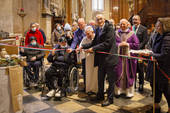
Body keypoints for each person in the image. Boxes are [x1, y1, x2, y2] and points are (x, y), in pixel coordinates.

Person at [77, 14, 118, 107]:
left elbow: (107, 43)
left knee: (111, 81)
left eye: (101, 19)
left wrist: (93, 49)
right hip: (101, 59)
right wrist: (82, 47)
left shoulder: (109, 28)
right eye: (97, 19)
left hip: (110, 58)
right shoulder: (98, 29)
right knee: (100, 79)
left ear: (104, 19)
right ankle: (100, 96)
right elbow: (94, 43)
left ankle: (110, 99)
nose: (99, 21)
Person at [147, 18, 170, 113]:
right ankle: (156, 107)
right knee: (155, 88)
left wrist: (151, 54)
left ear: (165, 27)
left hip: (164, 69)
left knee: (166, 90)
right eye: (156, 24)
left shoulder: (167, 37)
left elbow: (165, 55)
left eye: (158, 25)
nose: (156, 26)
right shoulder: (158, 35)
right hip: (156, 68)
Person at [114, 19, 139, 98]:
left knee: (128, 72)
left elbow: (137, 44)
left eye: (124, 24)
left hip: (129, 59)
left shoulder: (132, 34)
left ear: (128, 25)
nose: (122, 26)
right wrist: (119, 44)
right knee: (118, 73)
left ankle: (128, 92)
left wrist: (127, 44)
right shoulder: (116, 33)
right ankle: (118, 91)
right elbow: (112, 43)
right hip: (119, 57)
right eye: (121, 24)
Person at [67, 18, 86, 91]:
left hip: (90, 51)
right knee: (84, 68)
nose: (81, 26)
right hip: (82, 51)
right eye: (79, 24)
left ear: (84, 23)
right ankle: (85, 85)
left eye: (82, 24)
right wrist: (71, 48)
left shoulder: (89, 29)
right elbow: (75, 41)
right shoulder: (76, 32)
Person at [78, 26, 98, 94]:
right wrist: (81, 49)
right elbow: (81, 46)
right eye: (86, 34)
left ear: (92, 32)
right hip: (87, 59)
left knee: (95, 74)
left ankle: (95, 89)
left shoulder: (97, 38)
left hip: (96, 59)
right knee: (87, 74)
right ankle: (88, 88)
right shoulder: (85, 39)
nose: (87, 35)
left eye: (88, 34)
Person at [132, 15, 148, 92]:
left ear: (140, 21)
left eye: (136, 19)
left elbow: (145, 40)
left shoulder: (143, 29)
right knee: (133, 68)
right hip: (131, 52)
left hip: (140, 52)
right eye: (133, 19)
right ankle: (133, 83)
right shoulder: (130, 28)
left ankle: (141, 84)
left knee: (140, 68)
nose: (134, 21)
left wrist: (137, 48)